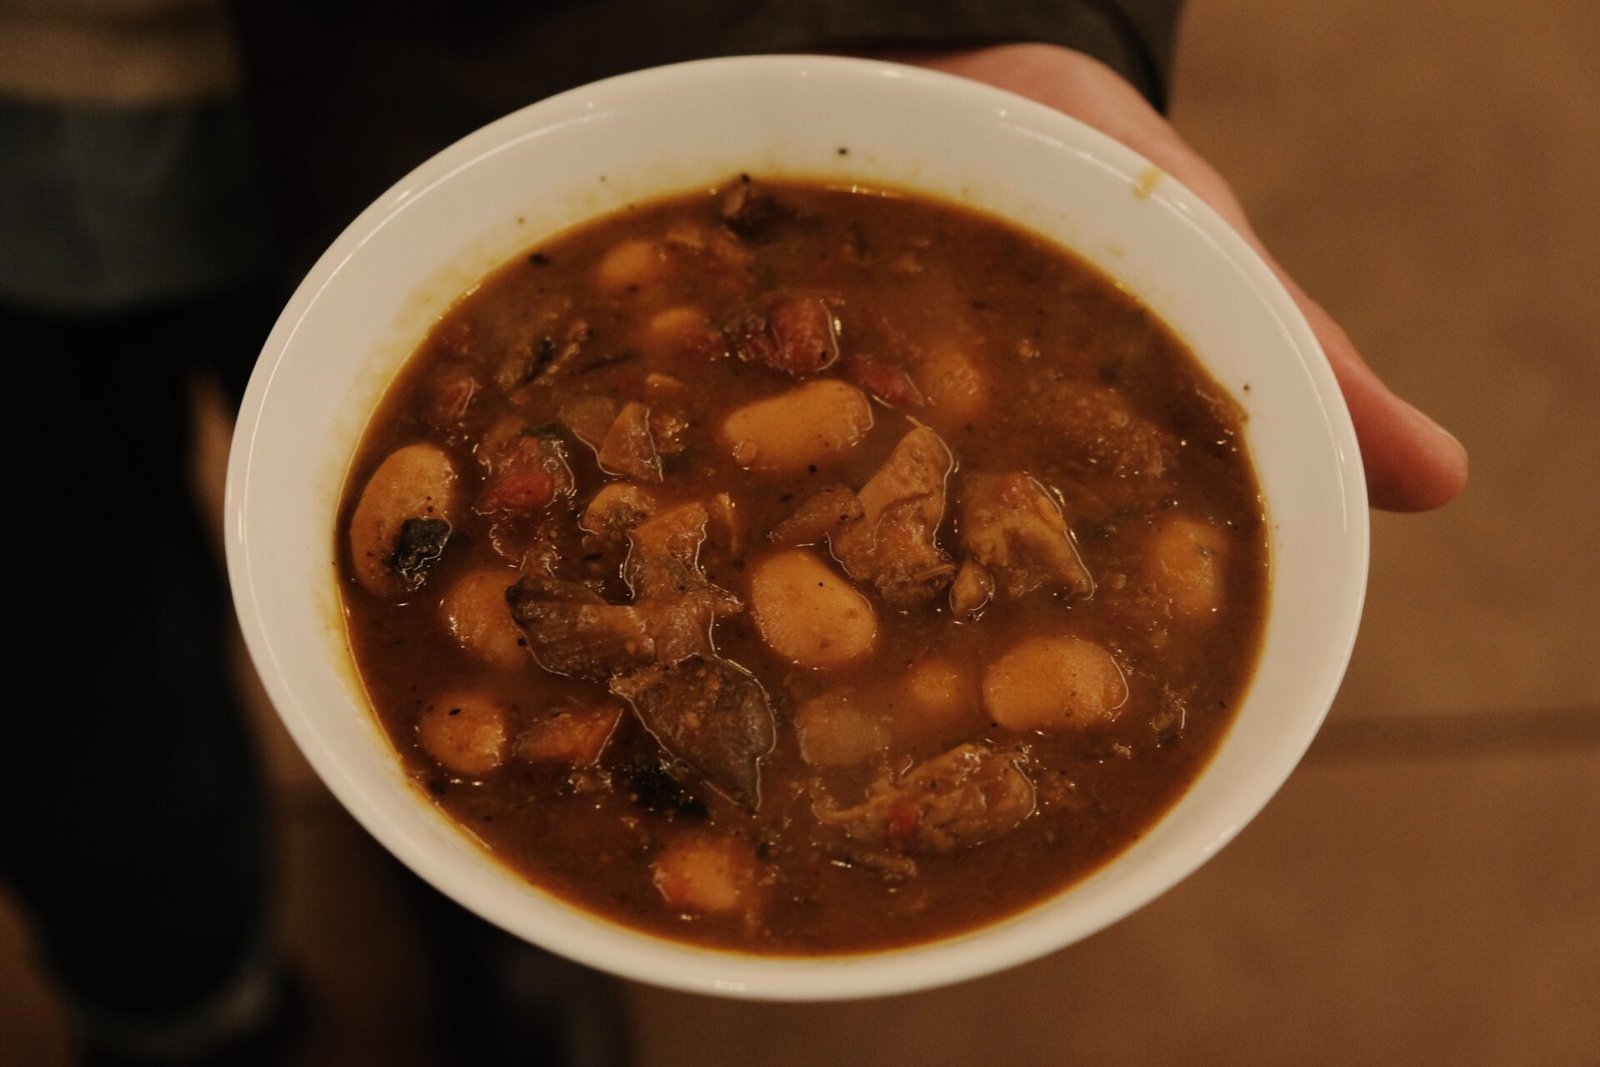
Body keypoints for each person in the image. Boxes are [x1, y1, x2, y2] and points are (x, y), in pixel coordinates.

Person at [2, 2, 1467, 1065]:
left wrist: (973, 21)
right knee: (53, 643)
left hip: (478, 68)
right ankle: (178, 1005)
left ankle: (495, 949)